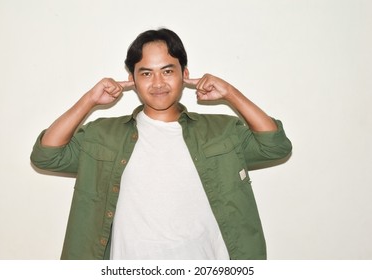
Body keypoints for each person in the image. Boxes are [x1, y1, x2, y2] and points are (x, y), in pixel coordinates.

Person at [31, 28, 292, 260]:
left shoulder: (221, 131)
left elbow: (276, 146)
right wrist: (88, 100)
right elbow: (46, 155)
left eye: (167, 71)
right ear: (132, 78)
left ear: (184, 74)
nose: (158, 83)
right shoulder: (104, 134)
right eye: (146, 73)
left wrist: (230, 93)